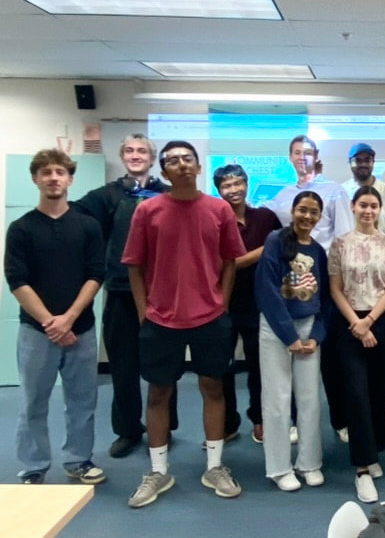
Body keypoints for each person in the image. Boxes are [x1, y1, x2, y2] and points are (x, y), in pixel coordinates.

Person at [122, 140, 247, 507]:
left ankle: (215, 467)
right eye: (173, 161)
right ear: (164, 171)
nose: (181, 164)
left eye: (187, 159)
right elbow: (135, 266)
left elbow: (230, 260)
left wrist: (222, 303)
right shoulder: (147, 210)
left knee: (213, 388)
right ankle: (158, 471)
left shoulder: (219, 209)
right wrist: (144, 312)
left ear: (198, 166)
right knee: (159, 393)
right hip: (160, 320)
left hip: (210, 318)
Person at [73, 133, 179, 458]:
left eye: (142, 151)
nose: (135, 155)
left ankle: (163, 426)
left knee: (164, 365)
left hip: (163, 294)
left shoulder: (169, 194)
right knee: (123, 366)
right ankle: (128, 430)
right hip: (120, 291)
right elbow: (74, 215)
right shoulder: (106, 195)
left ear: (152, 158)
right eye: (129, 150)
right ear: (122, 156)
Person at [6, 149, 106, 485]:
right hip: (37, 332)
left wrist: (69, 319)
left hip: (82, 330)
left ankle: (79, 460)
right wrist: (52, 322)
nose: (53, 178)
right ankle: (34, 466)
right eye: (46, 172)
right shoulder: (21, 228)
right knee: (34, 401)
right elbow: (17, 280)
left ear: (70, 179)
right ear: (35, 179)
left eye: (59, 172)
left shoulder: (88, 226)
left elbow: (96, 274)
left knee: (82, 401)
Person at [265, 135, 354, 444]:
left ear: (316, 157)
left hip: (327, 283)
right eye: (297, 152)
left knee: (332, 358)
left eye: (307, 152)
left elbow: (344, 238)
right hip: (294, 285)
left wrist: (341, 283)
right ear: (290, 157)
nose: (302, 157)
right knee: (292, 355)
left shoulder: (335, 191)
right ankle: (292, 421)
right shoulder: (283, 196)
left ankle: (341, 420)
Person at [329, 186, 385, 503]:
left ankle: (374, 450)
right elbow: (335, 288)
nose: (368, 211)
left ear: (380, 210)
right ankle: (362, 469)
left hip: (380, 320)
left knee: (378, 391)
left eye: (374, 206)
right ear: (353, 207)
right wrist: (357, 324)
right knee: (356, 392)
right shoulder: (340, 243)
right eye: (363, 205)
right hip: (348, 322)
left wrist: (369, 320)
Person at [254, 191, 329, 492]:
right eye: (302, 210)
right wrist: (289, 337)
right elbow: (267, 292)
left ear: (319, 217)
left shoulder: (319, 252)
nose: (307, 216)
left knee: (310, 399)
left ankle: (309, 463)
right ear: (293, 211)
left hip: (308, 329)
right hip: (276, 328)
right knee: (277, 398)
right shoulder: (275, 241)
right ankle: (279, 468)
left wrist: (316, 337)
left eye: (313, 212)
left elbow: (324, 300)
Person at [213, 164, 282, 444]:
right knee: (222, 367)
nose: (233, 190)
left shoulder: (265, 217)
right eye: (226, 186)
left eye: (237, 183)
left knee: (259, 367)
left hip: (259, 303)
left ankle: (259, 419)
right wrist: (264, 250)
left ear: (246, 184)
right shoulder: (213, 220)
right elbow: (221, 265)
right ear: (219, 191)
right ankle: (227, 423)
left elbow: (283, 251)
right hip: (223, 304)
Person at [340, 142, 385, 414]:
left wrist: (383, 264)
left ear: (373, 162)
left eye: (368, 159)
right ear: (350, 163)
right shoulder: (342, 191)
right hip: (350, 278)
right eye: (358, 159)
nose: (363, 164)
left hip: (380, 278)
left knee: (383, 345)